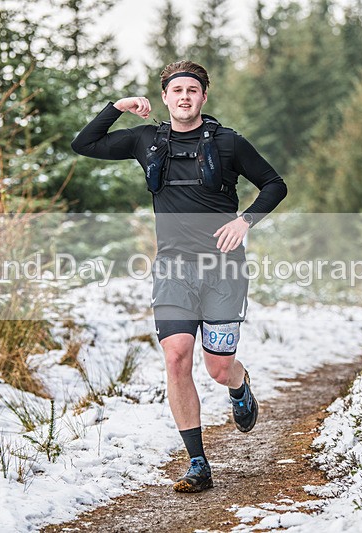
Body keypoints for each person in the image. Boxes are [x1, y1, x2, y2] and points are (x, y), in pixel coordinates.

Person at [71, 60, 287, 493]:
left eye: (193, 90)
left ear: (203, 97)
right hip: (172, 270)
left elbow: (274, 184)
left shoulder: (228, 143)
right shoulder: (146, 139)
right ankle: (197, 463)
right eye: (177, 90)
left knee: (218, 368)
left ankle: (239, 385)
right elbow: (85, 144)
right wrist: (117, 106)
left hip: (223, 270)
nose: (185, 96)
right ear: (165, 97)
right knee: (176, 358)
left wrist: (245, 221)